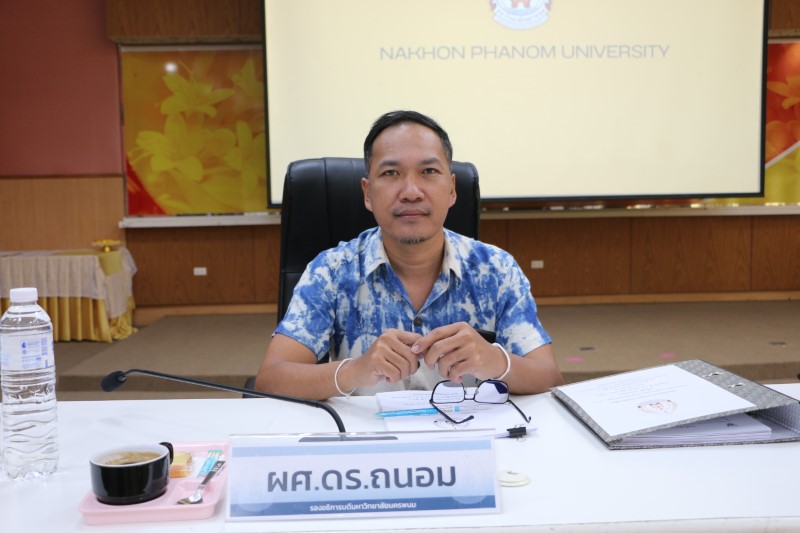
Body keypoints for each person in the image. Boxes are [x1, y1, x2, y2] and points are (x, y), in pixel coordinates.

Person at [255, 110, 563, 399]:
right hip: (367, 436)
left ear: (452, 189)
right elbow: (271, 379)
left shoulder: (496, 269)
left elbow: (549, 378)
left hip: (472, 433)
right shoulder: (332, 271)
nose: (411, 192)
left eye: (429, 171)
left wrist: (496, 361)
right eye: (391, 173)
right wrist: (354, 371)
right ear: (367, 193)